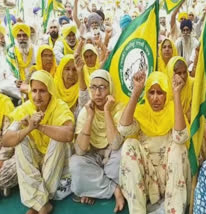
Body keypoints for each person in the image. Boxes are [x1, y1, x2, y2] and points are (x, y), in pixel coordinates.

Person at [2, 70, 75, 214]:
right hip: (36, 161)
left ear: (50, 91)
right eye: (34, 90)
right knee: (20, 140)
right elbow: (6, 140)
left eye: (42, 91)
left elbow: (68, 135)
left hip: (57, 162)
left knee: (58, 138)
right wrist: (29, 128)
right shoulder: (26, 108)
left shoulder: (59, 106)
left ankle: (36, 203)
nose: (37, 96)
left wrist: (40, 126)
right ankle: (43, 204)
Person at [118, 71, 191, 213]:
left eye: (160, 93)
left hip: (169, 176)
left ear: (166, 94)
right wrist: (136, 92)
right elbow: (124, 129)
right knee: (129, 145)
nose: (155, 98)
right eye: (151, 92)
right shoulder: (141, 111)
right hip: (147, 179)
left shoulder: (172, 110)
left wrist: (176, 94)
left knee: (179, 148)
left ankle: (173, 209)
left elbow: (180, 137)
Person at [70, 69, 125, 212]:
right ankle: (115, 190)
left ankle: (94, 188)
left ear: (110, 88)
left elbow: (115, 144)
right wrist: (90, 117)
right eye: (93, 87)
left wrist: (107, 111)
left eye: (102, 87)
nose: (97, 93)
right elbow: (81, 150)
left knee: (119, 162)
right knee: (75, 164)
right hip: (93, 156)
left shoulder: (118, 109)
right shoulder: (86, 111)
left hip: (111, 155)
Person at [0, 93, 16, 197]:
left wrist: (1, 160)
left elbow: (8, 143)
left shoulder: (5, 103)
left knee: (4, 174)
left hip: (5, 150)